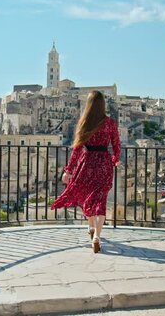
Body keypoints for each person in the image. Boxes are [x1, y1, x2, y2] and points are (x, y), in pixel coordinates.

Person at [51, 90, 120, 253]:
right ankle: (96, 234)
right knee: (100, 200)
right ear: (103, 105)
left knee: (87, 196)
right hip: (104, 164)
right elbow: (117, 145)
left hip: (87, 163)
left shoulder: (84, 122)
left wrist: (68, 170)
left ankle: (91, 226)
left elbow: (76, 149)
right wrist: (115, 159)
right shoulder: (110, 123)